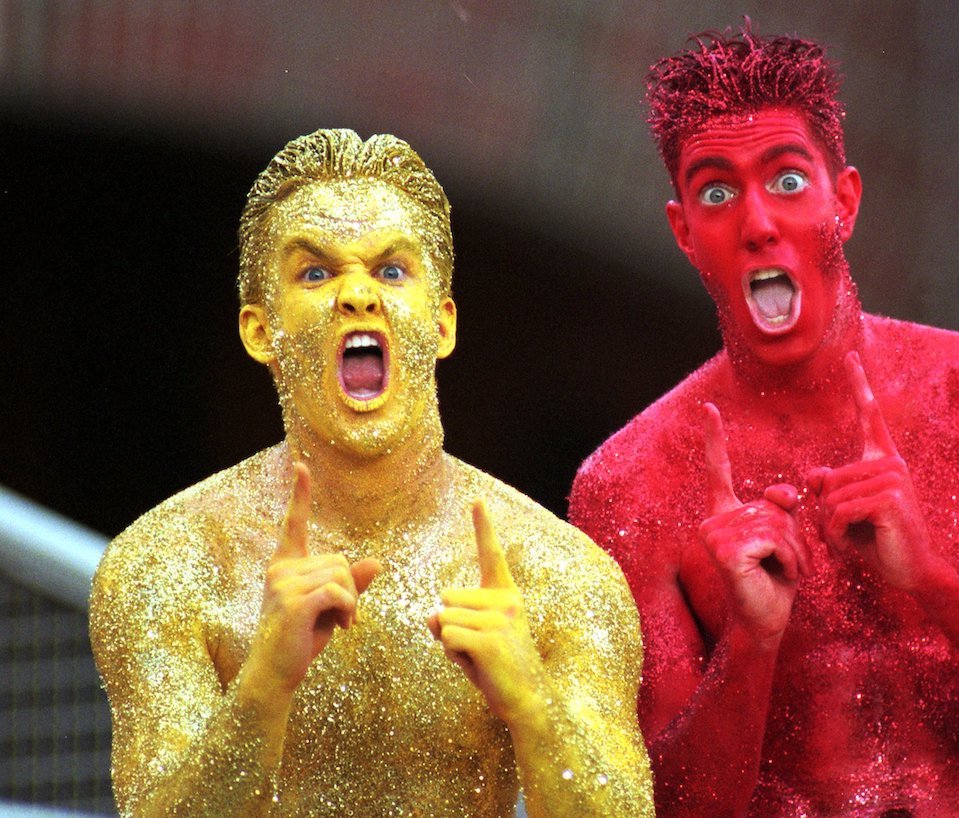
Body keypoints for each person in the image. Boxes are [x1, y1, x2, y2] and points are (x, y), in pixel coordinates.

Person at [568, 28, 959, 817]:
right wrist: (750, 642)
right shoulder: (631, 483)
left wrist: (936, 582)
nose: (758, 222)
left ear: (845, 202)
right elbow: (665, 809)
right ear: (684, 236)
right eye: (716, 193)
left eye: (789, 180)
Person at [89, 129, 652, 817]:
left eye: (390, 271)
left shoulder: (561, 575)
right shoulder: (164, 563)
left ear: (442, 324)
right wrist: (264, 682)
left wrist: (530, 702)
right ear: (260, 331)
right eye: (316, 272)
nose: (358, 295)